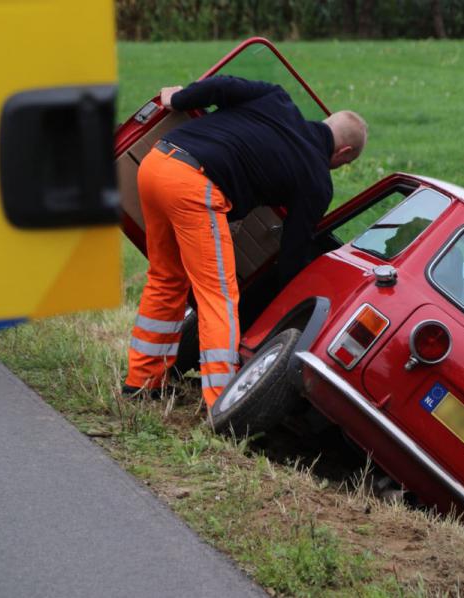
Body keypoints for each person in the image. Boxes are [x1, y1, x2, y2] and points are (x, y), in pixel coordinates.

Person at [123, 75, 367, 410]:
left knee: (167, 278)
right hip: (194, 185)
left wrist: (177, 101)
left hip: (157, 161)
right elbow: (293, 251)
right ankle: (222, 402)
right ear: (345, 153)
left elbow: (219, 86)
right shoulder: (316, 179)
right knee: (218, 296)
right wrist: (288, 300)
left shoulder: (275, 98)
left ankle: (142, 383)